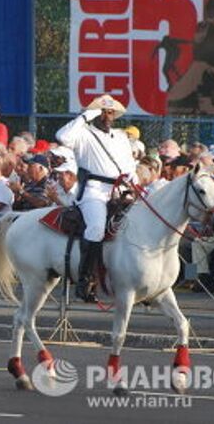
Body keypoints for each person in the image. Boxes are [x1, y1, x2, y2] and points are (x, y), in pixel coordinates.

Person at [55, 94, 136, 302]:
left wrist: (131, 182)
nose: (106, 115)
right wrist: (86, 115)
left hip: (119, 189)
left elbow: (129, 165)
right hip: (93, 190)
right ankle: (85, 281)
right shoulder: (83, 133)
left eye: (109, 111)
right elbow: (61, 136)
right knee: (97, 228)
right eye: (102, 111)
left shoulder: (120, 136)